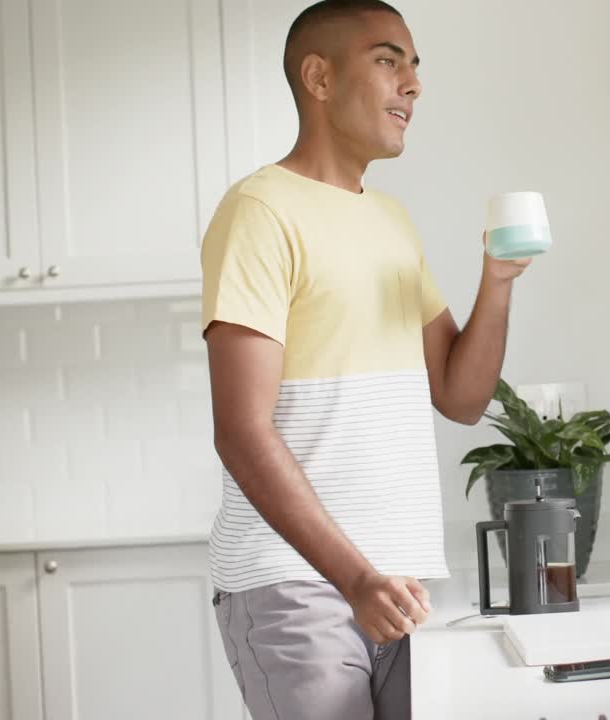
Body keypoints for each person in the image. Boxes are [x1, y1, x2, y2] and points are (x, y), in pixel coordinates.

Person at [198, 1, 531, 718]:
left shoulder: (390, 221)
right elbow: (242, 431)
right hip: (296, 586)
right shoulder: (259, 211)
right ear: (319, 78)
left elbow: (460, 396)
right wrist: (354, 579)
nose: (413, 83)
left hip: (401, 588)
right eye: (388, 60)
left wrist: (497, 281)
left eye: (415, 66)